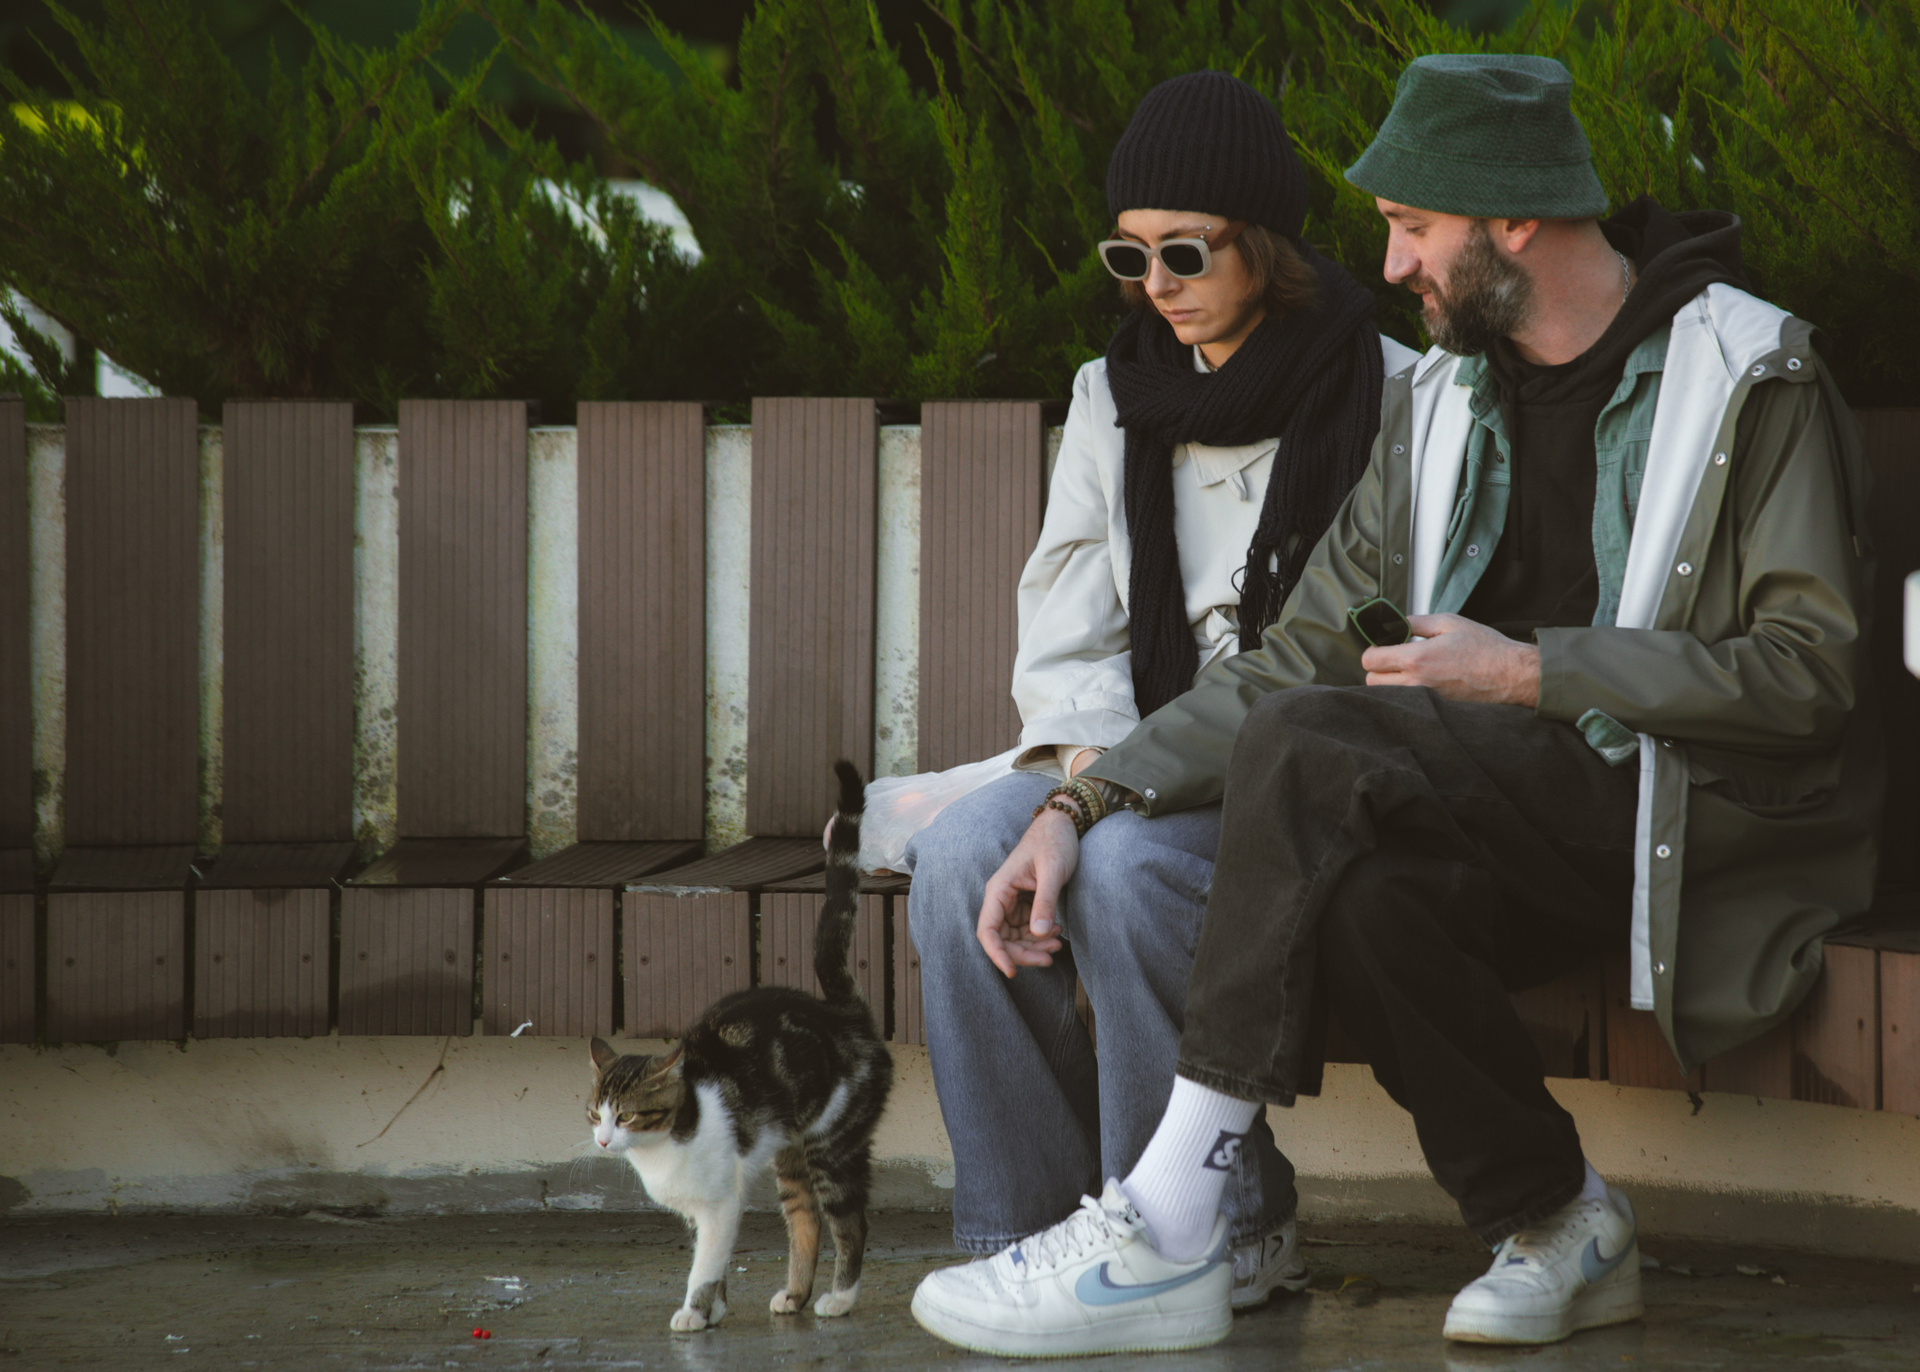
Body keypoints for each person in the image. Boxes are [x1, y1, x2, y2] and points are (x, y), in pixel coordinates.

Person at [909, 53, 1880, 1358]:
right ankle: (1559, 1217)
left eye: (1413, 227)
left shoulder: (1748, 373)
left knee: (1315, 745)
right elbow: (1298, 655)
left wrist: (1531, 670)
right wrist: (1083, 799)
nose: (1391, 264)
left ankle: (1174, 1218)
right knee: (1360, 891)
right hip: (1502, 817)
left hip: (1680, 813)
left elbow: (1811, 677)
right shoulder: (1449, 398)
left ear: (1513, 220)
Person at [900, 68, 1419, 1311]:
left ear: (1266, 244)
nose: (1156, 284)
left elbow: (1352, 643)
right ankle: (1028, 1236)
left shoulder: (1393, 390)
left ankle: (1204, 1230)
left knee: (1132, 870)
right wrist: (1089, 778)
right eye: (1128, 257)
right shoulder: (1113, 394)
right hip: (1123, 754)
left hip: (1294, 764)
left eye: (1184, 251)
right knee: (960, 857)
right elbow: (1069, 622)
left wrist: (1112, 806)